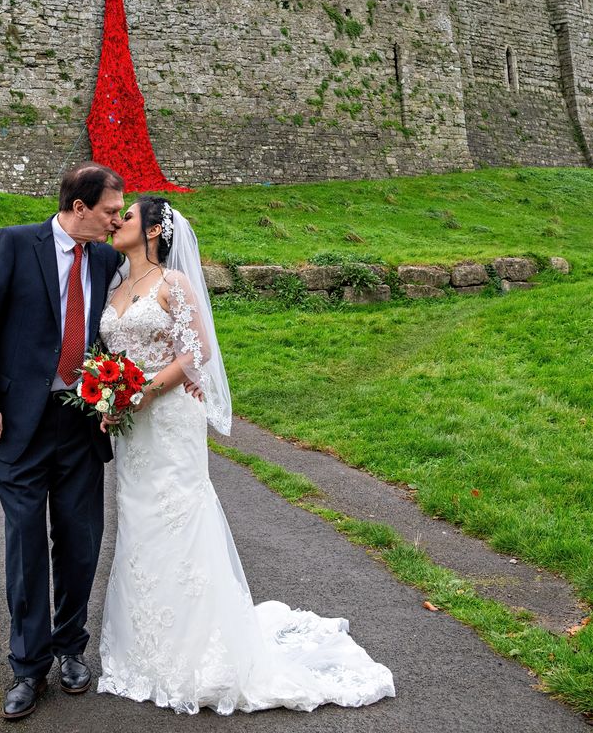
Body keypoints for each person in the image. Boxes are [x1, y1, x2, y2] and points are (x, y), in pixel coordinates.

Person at [96, 195, 396, 714]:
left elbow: (198, 352)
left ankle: (201, 650)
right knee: (139, 522)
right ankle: (143, 646)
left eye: (126, 216)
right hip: (130, 427)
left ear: (151, 232)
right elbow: (111, 354)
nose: (116, 221)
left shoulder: (174, 284)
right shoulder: (116, 286)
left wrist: (144, 389)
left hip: (166, 418)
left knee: (179, 517)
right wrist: (109, 395)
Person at [0, 162, 126, 721]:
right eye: (108, 211)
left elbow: (115, 333)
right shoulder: (12, 245)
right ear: (78, 207)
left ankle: (70, 647)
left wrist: (115, 398)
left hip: (80, 425)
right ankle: (27, 667)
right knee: (27, 544)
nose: (115, 220)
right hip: (17, 424)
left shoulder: (106, 260)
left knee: (81, 541)